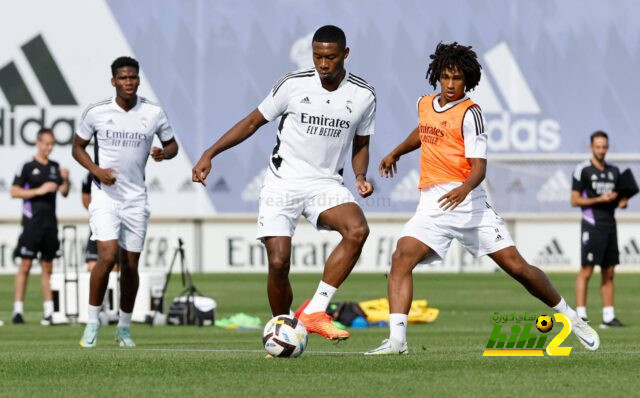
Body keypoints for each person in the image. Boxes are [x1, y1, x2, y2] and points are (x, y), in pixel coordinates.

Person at [365, 42, 600, 355]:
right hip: (432, 204)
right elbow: (424, 131)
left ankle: (571, 317)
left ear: (468, 80)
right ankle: (397, 341)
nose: (450, 84)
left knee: (518, 269)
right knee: (400, 258)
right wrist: (395, 152)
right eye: (446, 77)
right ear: (437, 75)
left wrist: (463, 188)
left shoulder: (471, 114)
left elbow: (479, 168)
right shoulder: (424, 103)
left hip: (469, 205)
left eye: (457, 78)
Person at [192, 25, 375, 340]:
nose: (323, 64)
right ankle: (282, 330)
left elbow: (361, 145)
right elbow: (252, 122)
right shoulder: (293, 85)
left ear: (345, 54)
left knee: (357, 230)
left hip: (325, 184)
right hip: (283, 182)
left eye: (330, 57)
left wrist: (359, 176)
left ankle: (316, 310)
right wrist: (211, 153)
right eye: (317, 57)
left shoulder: (363, 95)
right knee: (278, 262)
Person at [72, 56, 178, 347]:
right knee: (106, 257)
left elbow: (172, 146)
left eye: (132, 78)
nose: (128, 83)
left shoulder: (153, 112)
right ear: (113, 81)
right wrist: (96, 171)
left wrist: (163, 154)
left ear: (138, 79)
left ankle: (124, 327)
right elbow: (77, 148)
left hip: (136, 198)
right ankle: (92, 323)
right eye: (123, 78)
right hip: (105, 197)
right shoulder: (97, 112)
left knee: (130, 266)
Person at [10, 128, 70, 325]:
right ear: (38, 143)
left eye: (52, 144)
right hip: (31, 224)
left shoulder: (55, 166)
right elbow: (14, 191)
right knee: (25, 265)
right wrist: (40, 190)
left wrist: (66, 180)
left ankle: (49, 311)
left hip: (50, 224)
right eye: (46, 143)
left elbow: (64, 192)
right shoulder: (27, 166)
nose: (49, 147)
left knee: (48, 267)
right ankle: (18, 310)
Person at [571, 131, 627, 327]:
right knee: (586, 270)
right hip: (592, 225)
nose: (601, 150)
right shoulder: (583, 170)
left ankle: (608, 316)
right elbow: (574, 200)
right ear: (591, 147)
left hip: (610, 225)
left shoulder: (614, 171)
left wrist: (622, 202)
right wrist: (599, 199)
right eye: (598, 146)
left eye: (604, 147)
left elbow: (619, 197)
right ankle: (580, 314)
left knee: (609, 271)